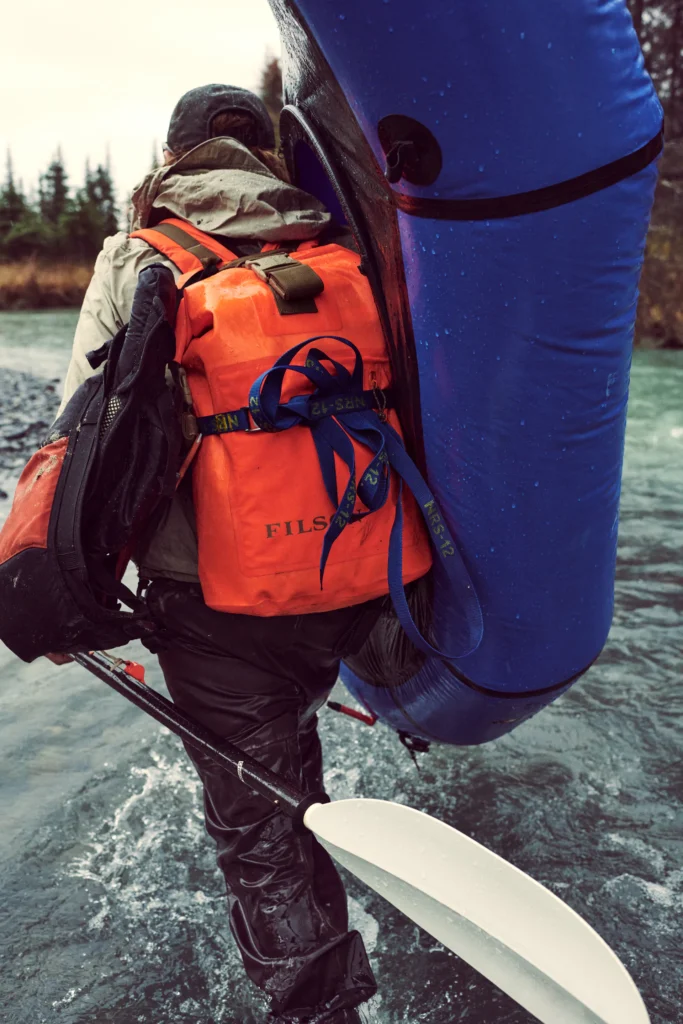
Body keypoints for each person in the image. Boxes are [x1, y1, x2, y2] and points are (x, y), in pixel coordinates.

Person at [56, 85, 382, 1024]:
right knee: (290, 750)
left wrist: (63, 588)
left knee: (259, 831)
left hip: (211, 603)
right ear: (264, 156)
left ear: (174, 158)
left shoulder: (138, 256)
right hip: (351, 579)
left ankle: (320, 1010)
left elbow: (80, 438)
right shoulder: (337, 249)